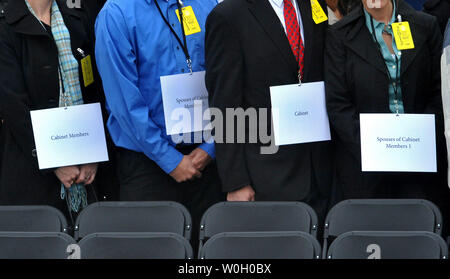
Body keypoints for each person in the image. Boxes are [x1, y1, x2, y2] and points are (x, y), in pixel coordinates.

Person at [94, 0, 223, 249]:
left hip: (209, 164)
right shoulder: (116, 13)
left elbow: (227, 76)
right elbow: (124, 102)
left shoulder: (208, 5)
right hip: (147, 166)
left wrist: (211, 147)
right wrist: (170, 160)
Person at [205, 0, 334, 226]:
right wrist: (236, 182)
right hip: (266, 175)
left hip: (319, 170)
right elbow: (224, 104)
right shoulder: (228, 15)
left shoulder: (314, 4)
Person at [325, 0, 449, 233]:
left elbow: (438, 92)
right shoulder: (339, 35)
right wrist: (374, 148)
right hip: (365, 170)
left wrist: (420, 141)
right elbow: (337, 105)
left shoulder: (426, 26)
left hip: (419, 166)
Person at [0, 0, 105, 219]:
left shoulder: (78, 17)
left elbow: (94, 88)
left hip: (86, 167)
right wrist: (54, 162)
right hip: (32, 173)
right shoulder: (5, 25)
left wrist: (93, 154)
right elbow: (13, 106)